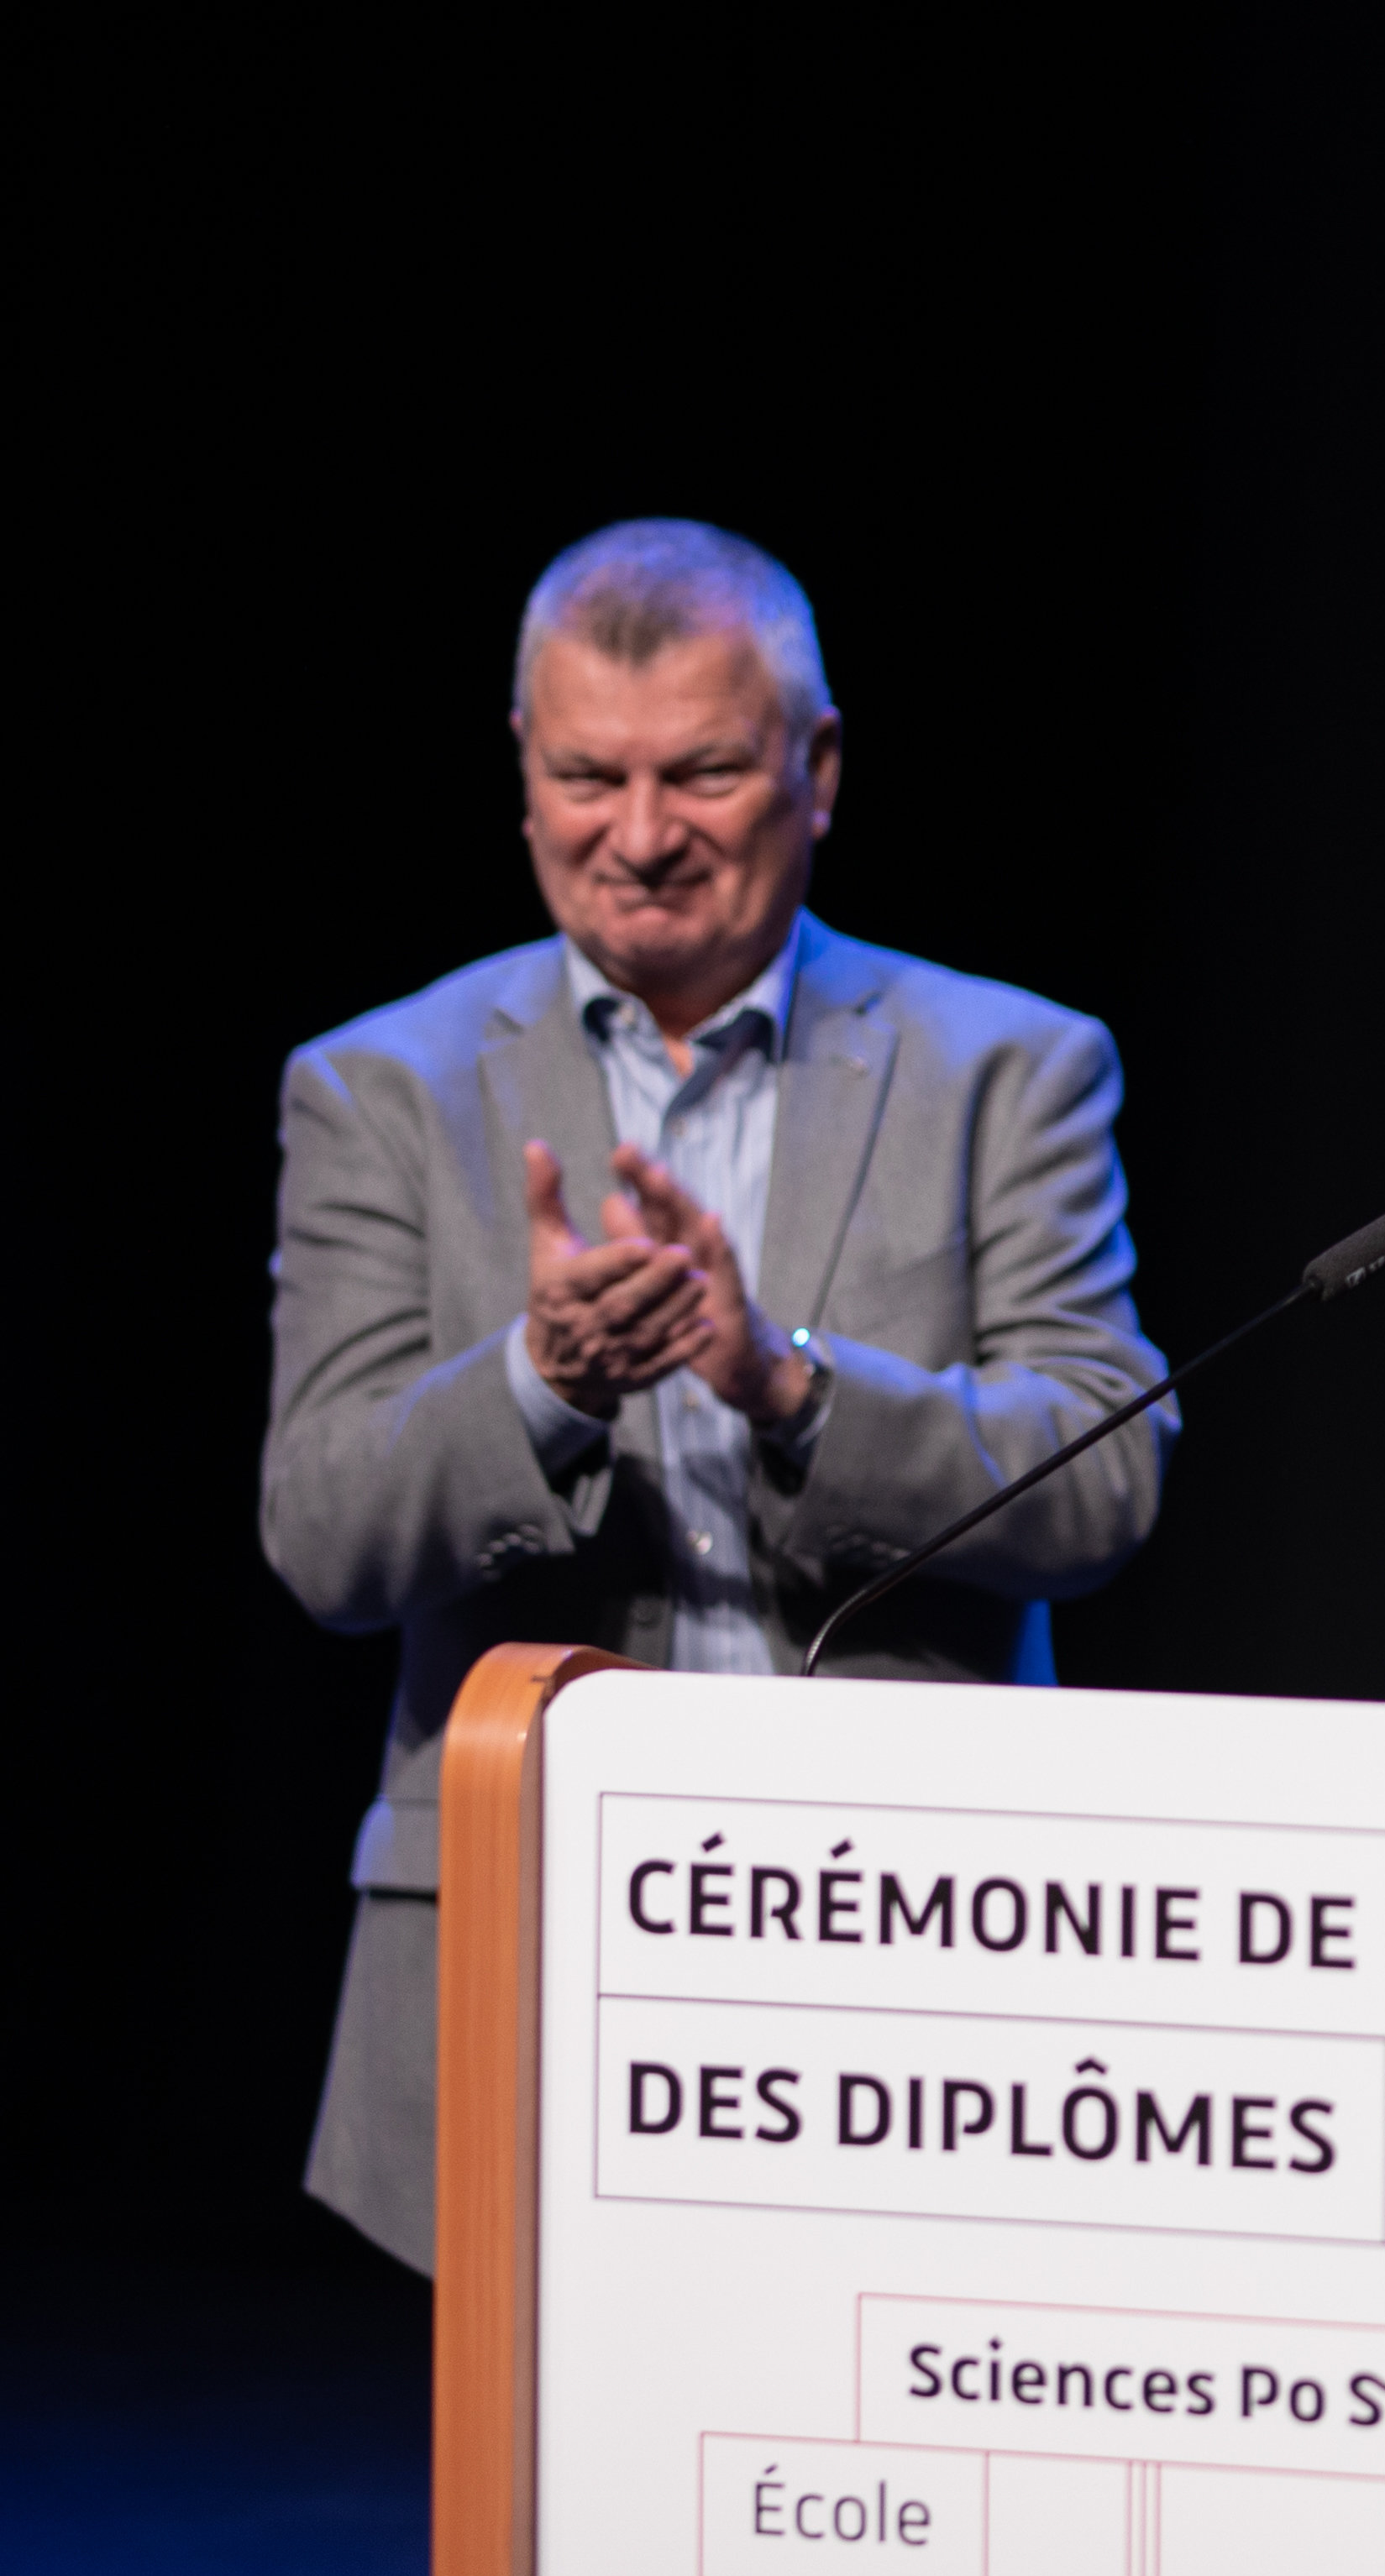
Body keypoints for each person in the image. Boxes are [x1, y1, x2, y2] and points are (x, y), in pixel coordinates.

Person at [260, 519, 1176, 2270]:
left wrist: (786, 1383)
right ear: (522, 771)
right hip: (518, 1941)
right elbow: (321, 1525)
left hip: (905, 1954)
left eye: (701, 771)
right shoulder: (379, 1086)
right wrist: (540, 1381)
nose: (641, 834)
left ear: (816, 771)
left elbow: (1102, 1483)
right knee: (537, 2542)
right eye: (586, 775)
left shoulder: (1011, 1069)